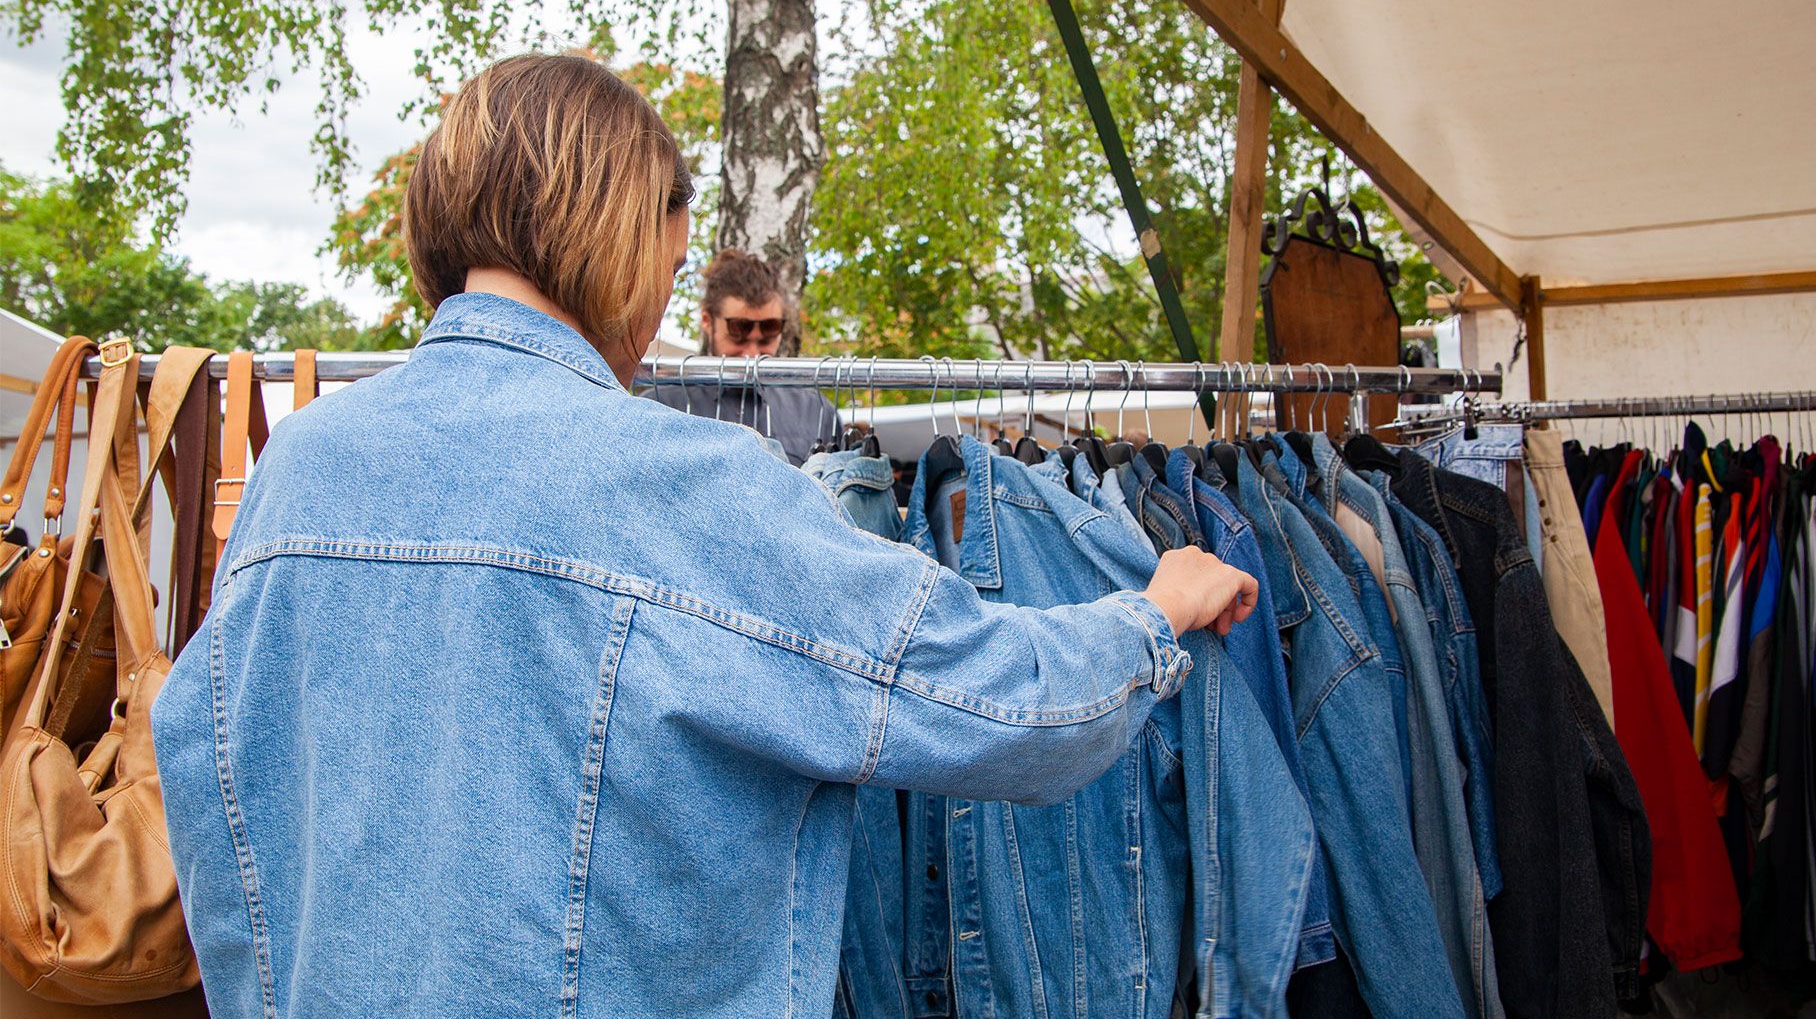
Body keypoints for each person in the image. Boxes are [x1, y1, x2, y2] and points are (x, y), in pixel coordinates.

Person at [150, 53, 1257, 1017]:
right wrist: (1155, 613)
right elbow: (992, 703)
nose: (661, 309)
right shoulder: (681, 485)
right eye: (670, 269)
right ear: (621, 240)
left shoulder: (300, 468)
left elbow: (203, 782)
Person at [645, 247, 839, 465]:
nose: (752, 354)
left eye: (767, 336)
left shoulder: (817, 412)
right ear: (708, 321)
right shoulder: (659, 407)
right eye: (738, 334)